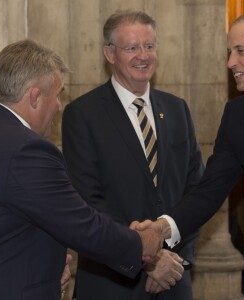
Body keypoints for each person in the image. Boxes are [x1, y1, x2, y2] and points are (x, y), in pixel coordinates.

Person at [134, 12, 244, 300]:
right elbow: (209, 191)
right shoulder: (237, 116)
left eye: (240, 51)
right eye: (229, 52)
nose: (230, 62)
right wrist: (161, 227)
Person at [0, 39, 163, 300]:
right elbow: (82, 224)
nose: (59, 106)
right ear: (36, 97)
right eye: (58, 94)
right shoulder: (26, 150)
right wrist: (141, 244)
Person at [62, 9, 204, 300]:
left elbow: (198, 193)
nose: (143, 55)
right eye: (132, 47)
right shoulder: (83, 114)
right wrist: (148, 259)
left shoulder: (177, 109)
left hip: (174, 279)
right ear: (110, 53)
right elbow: (87, 201)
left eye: (149, 46)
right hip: (112, 282)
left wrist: (173, 258)